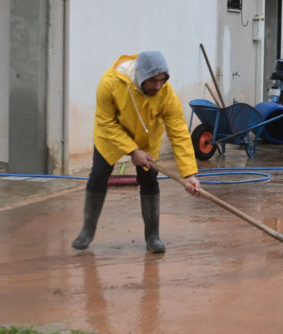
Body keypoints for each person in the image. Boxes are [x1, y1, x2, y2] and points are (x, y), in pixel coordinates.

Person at [72, 51, 200, 254]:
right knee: (98, 175)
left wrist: (189, 173)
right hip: (111, 137)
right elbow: (105, 122)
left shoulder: (166, 93)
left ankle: (153, 237)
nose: (158, 86)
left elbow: (178, 132)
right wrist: (132, 151)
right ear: (141, 76)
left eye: (162, 80)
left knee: (149, 179)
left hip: (146, 139)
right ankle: (87, 230)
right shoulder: (110, 83)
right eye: (153, 81)